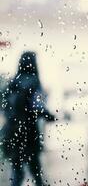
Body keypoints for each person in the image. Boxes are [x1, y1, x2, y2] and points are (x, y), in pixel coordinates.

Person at [0, 51, 56, 186]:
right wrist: (50, 116)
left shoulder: (13, 81)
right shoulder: (34, 81)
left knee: (17, 170)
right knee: (35, 169)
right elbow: (37, 107)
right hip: (28, 132)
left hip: (11, 131)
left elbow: (4, 104)